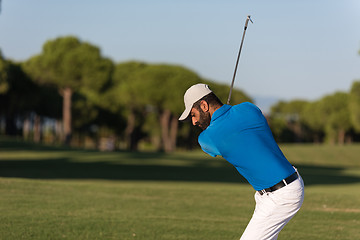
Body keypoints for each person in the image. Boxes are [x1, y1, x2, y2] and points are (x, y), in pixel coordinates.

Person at [179, 83, 304, 240]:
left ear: (204, 105)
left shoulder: (206, 139)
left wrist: (223, 121)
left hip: (281, 195)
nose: (194, 122)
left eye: (193, 115)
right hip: (276, 191)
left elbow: (218, 138)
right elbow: (237, 123)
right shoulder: (249, 108)